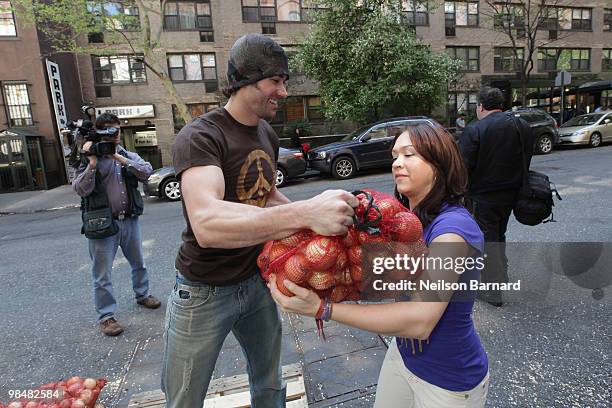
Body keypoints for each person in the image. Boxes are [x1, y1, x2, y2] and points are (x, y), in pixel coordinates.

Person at [162, 33, 359, 408]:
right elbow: (207, 223)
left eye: (284, 82)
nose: (283, 92)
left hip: (257, 280)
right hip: (203, 290)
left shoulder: (265, 132)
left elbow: (267, 195)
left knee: (269, 382)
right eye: (276, 81)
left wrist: (314, 227)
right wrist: (305, 212)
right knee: (183, 398)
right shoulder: (201, 136)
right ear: (245, 81)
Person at [269, 122, 489, 407]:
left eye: (410, 154)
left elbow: (420, 320)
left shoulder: (453, 230)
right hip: (403, 356)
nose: (397, 163)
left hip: (449, 381)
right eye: (395, 155)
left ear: (440, 163)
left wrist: (323, 309)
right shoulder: (408, 221)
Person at [73, 113, 160, 336]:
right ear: (99, 133)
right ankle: (106, 317)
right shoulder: (87, 158)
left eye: (117, 131)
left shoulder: (124, 155)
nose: (115, 136)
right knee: (102, 275)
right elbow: (80, 189)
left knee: (139, 263)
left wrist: (120, 159)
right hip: (102, 225)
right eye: (110, 132)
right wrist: (92, 163)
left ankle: (142, 295)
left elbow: (146, 172)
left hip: (129, 220)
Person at [457, 86, 533, 307]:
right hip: (512, 194)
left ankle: (493, 290)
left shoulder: (476, 130)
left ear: (480, 106)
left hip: (483, 196)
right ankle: (499, 278)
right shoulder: (523, 126)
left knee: (488, 240)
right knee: (498, 235)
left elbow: (463, 168)